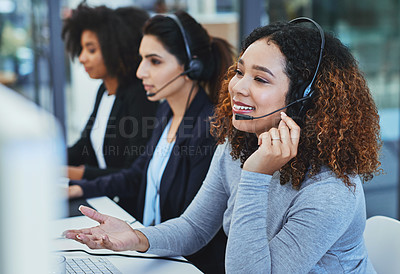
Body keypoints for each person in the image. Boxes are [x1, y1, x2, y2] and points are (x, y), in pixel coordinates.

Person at [64, 18, 382, 273]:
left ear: (305, 100)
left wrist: (255, 176)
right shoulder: (237, 145)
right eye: (240, 71)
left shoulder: (330, 190)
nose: (237, 87)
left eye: (260, 79)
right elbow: (194, 227)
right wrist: (136, 237)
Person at [67, 11, 235, 273]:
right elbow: (137, 174)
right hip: (150, 254)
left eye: (154, 61)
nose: (140, 71)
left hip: (181, 263)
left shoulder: (208, 129)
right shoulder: (166, 111)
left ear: (192, 66)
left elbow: (193, 228)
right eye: (142, 59)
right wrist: (80, 188)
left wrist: (137, 239)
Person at [62, 3, 158, 180]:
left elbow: (135, 174)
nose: (82, 58)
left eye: (91, 50)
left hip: (125, 205)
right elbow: (85, 144)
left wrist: (73, 173)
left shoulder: (140, 95)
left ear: (116, 49)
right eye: (81, 49)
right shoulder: (104, 90)